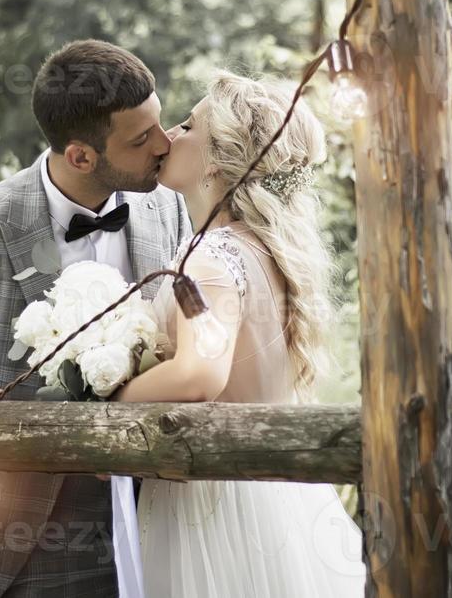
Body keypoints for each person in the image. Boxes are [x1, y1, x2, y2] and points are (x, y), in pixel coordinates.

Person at [0, 39, 190, 598]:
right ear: (81, 156)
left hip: (150, 518)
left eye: (160, 124)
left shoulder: (167, 204)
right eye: (142, 139)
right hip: (14, 534)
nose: (165, 146)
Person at [114, 70, 367, 597]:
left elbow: (199, 373)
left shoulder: (208, 256)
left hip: (213, 505)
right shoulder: (264, 250)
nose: (170, 136)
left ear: (215, 159)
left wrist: (109, 402)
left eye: (187, 125)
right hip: (274, 491)